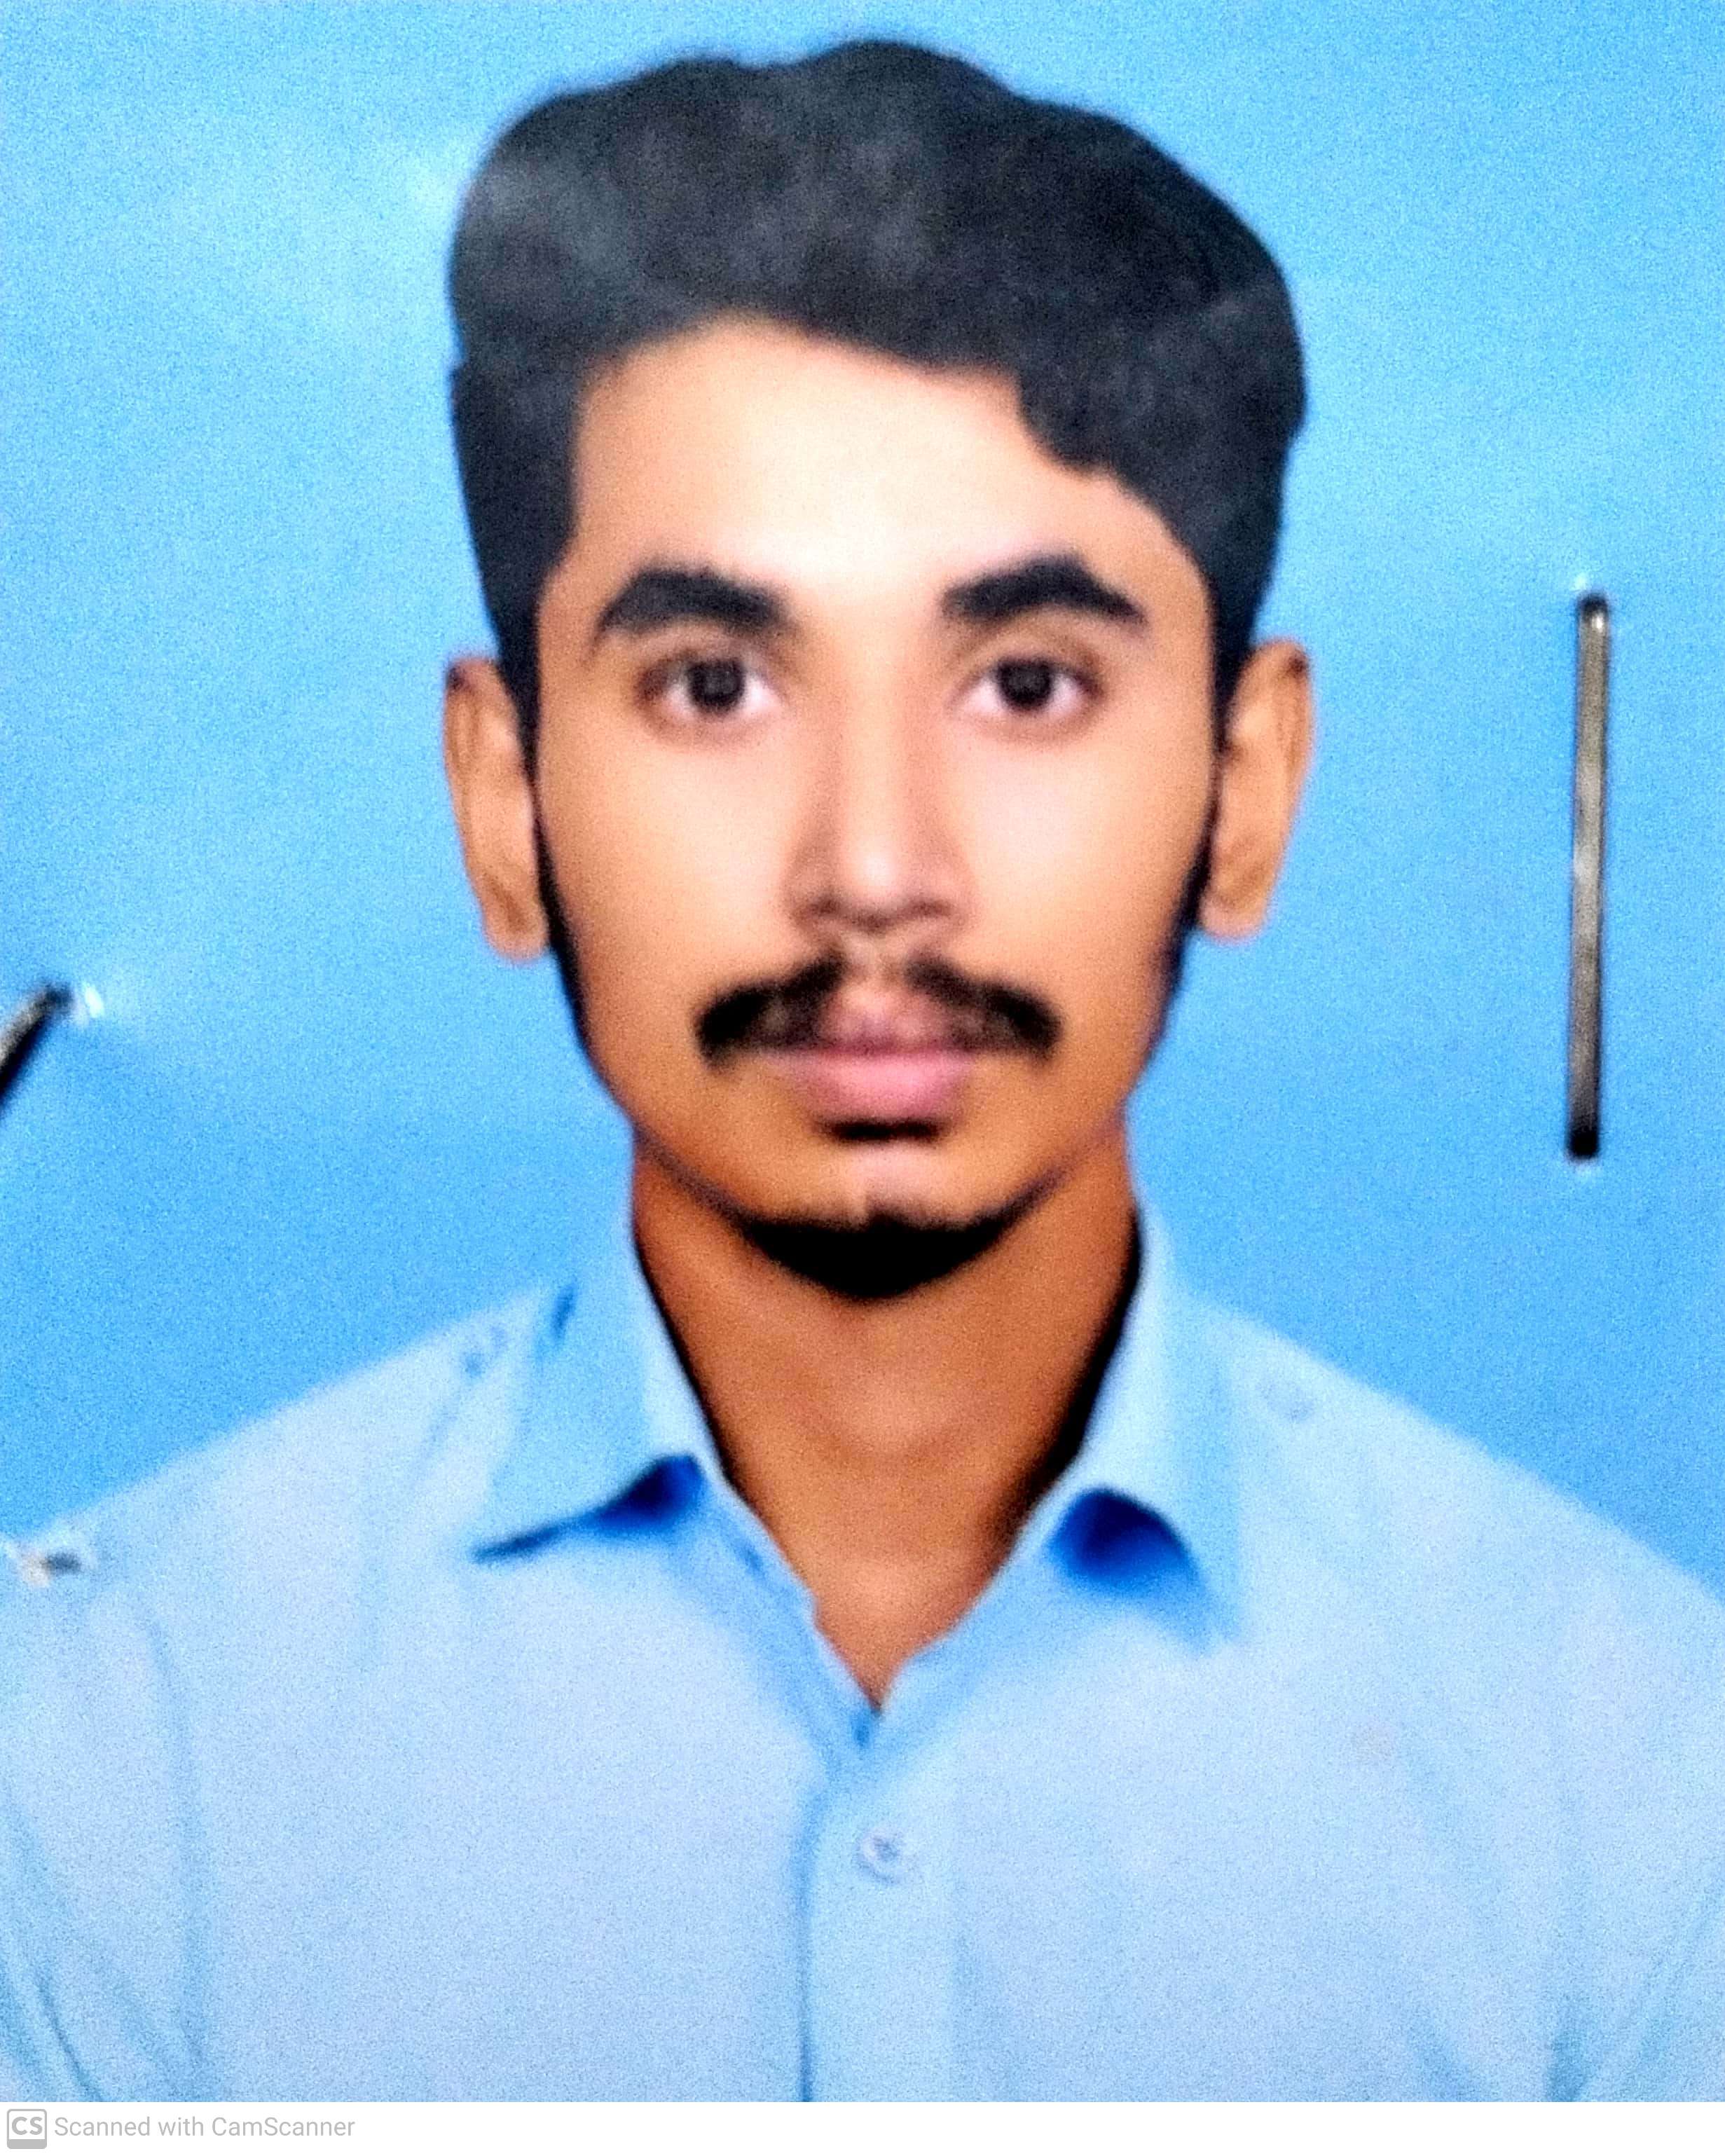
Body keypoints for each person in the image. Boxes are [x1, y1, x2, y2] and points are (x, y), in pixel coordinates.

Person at [3, 39, 1721, 2104]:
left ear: (1249, 787)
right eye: (715, 686)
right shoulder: (100, 1754)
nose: (877, 869)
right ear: (504, 799)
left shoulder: (1636, 1787)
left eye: (1030, 684)